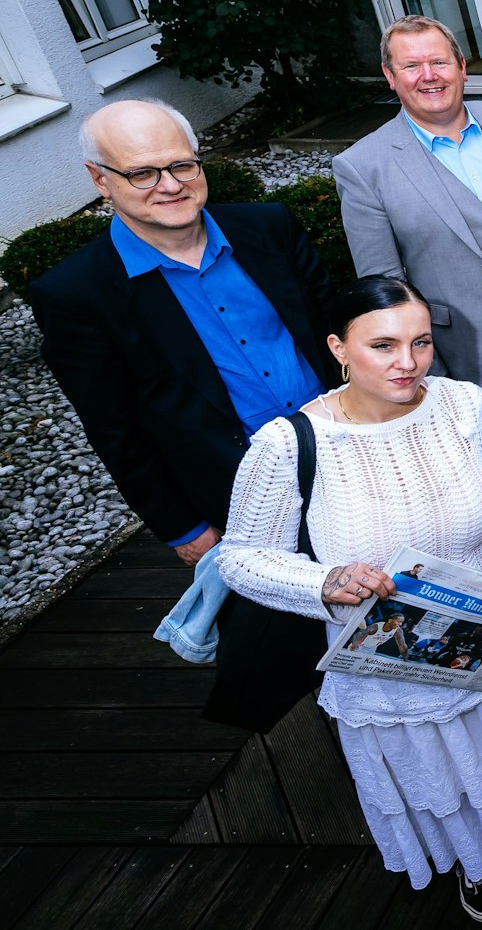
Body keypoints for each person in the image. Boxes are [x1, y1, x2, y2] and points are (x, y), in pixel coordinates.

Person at [213, 276, 482, 921]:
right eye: (383, 345)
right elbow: (241, 557)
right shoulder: (290, 445)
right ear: (338, 348)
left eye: (420, 343)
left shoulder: (467, 406)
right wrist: (323, 582)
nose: (408, 363)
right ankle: (473, 858)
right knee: (442, 767)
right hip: (396, 657)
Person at [30, 99, 342, 732]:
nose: (169, 185)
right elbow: (114, 429)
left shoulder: (269, 228)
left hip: (345, 454)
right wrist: (184, 531)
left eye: (182, 164)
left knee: (382, 607)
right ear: (100, 180)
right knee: (303, 649)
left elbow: (336, 331)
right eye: (143, 172)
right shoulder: (77, 293)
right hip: (241, 495)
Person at [334, 15, 482, 411]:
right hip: (471, 361)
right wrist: (430, 372)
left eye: (439, 62)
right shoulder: (363, 165)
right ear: (390, 76)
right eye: (411, 66)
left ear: (461, 67)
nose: (429, 76)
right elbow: (384, 289)